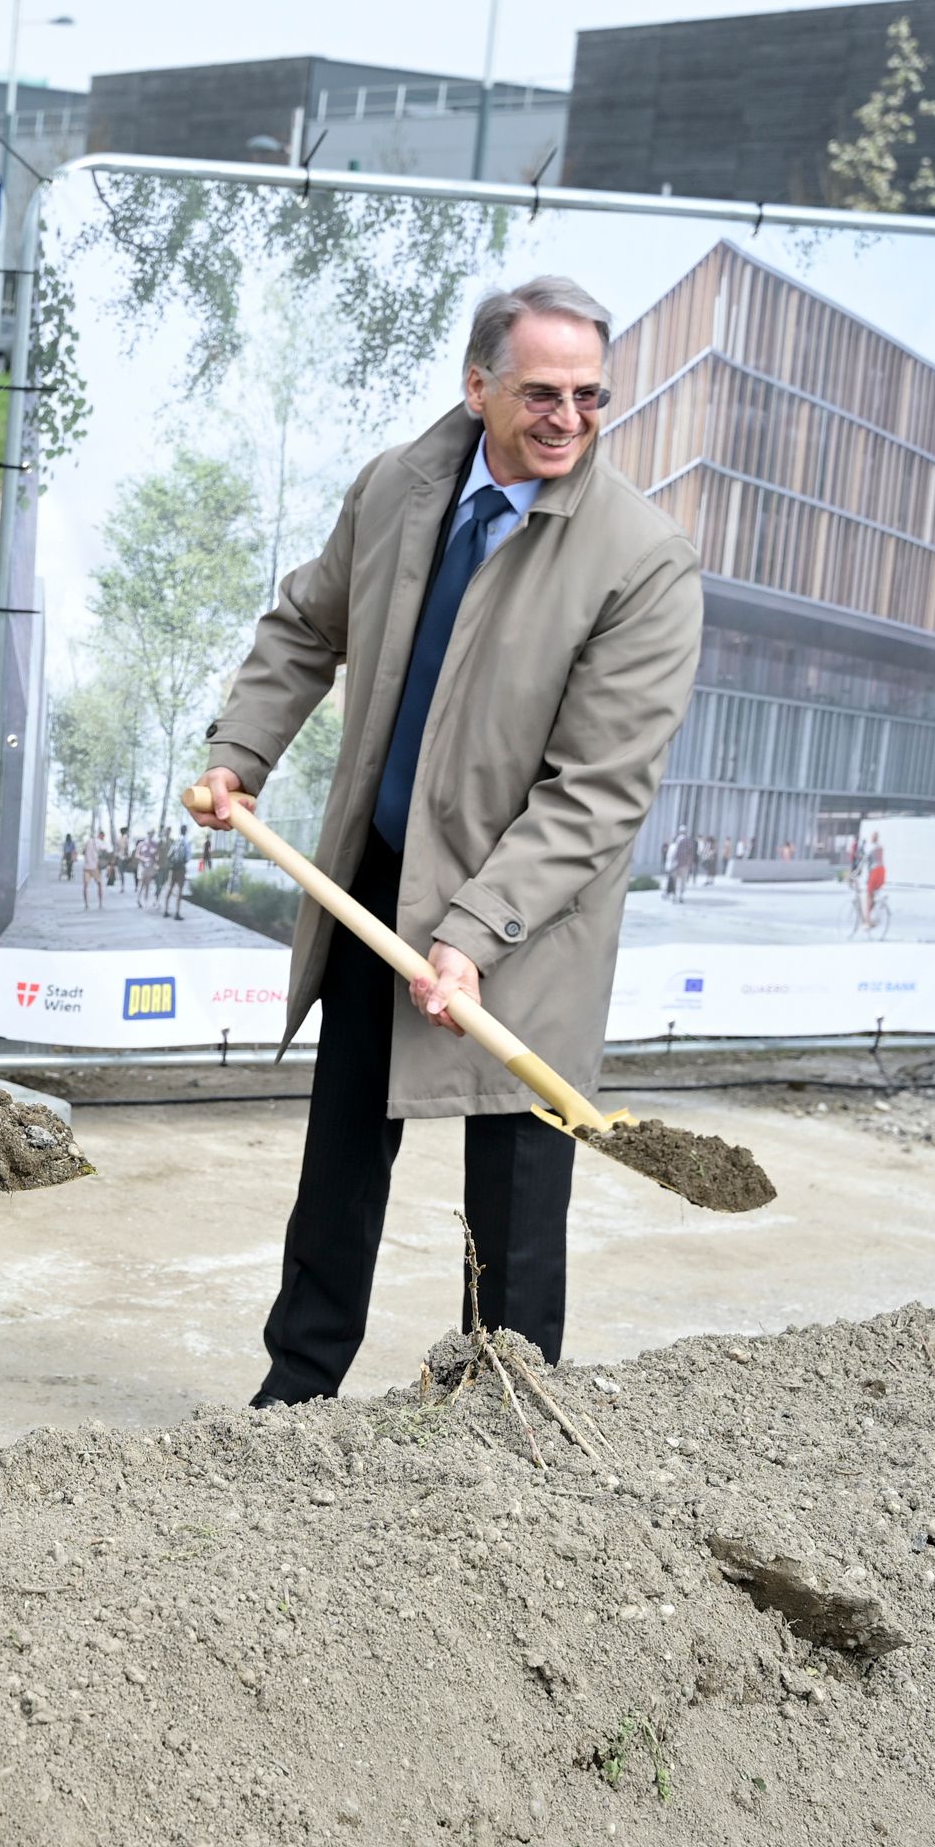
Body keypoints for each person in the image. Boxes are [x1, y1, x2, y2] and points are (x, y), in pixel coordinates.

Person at [187, 275, 701, 1404]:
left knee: (513, 1190)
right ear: (477, 387)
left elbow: (597, 791)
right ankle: (295, 1394)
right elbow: (305, 627)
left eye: (588, 394)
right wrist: (240, 751)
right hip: (376, 885)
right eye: (540, 392)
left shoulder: (641, 558)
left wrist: (472, 931)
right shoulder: (398, 488)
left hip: (529, 921)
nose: (567, 416)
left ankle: (508, 1409)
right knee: (339, 1161)